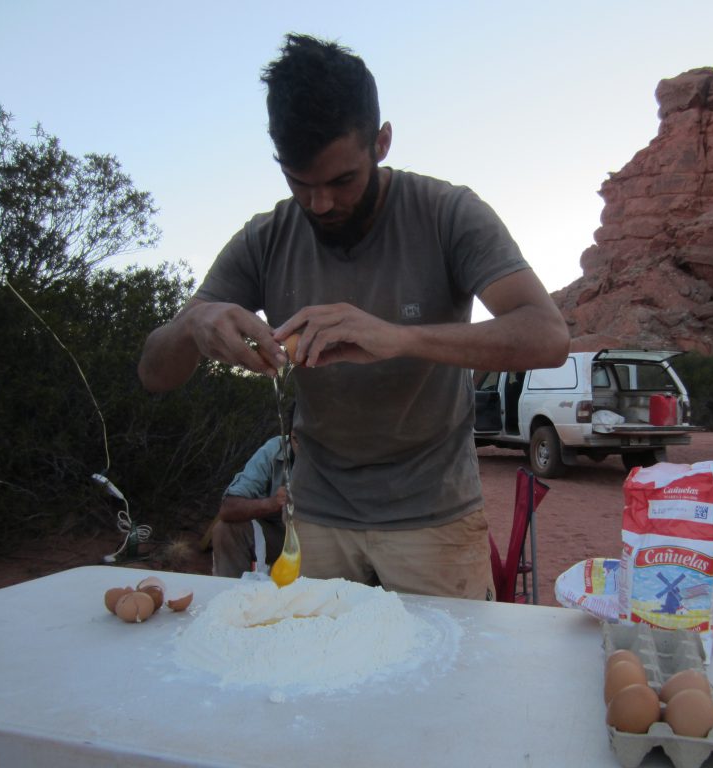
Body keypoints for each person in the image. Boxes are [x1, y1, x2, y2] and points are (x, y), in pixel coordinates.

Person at [138, 33, 570, 600]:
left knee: (443, 684)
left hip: (433, 517)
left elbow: (547, 335)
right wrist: (193, 327)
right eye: (299, 182)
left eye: (342, 181)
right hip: (316, 516)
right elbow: (154, 372)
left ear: (382, 142)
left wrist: (398, 338)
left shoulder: (447, 213)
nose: (319, 204)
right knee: (315, 679)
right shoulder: (265, 238)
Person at [212, 434, 295, 578]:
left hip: (329, 538)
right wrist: (274, 502)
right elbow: (228, 507)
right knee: (227, 529)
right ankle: (231, 594)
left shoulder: (340, 450)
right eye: (297, 438)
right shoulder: (275, 449)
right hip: (281, 535)